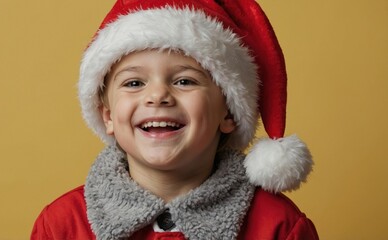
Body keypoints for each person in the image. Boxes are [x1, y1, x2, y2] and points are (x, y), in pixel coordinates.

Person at [31, 0, 319, 239]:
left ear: (229, 113)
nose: (157, 96)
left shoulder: (280, 227)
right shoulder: (62, 225)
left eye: (184, 81)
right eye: (134, 83)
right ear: (107, 116)